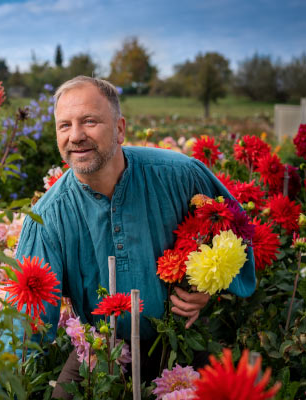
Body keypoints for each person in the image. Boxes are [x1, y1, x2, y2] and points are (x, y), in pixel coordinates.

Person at [14, 76, 256, 398]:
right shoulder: (46, 218)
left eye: (89, 121)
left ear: (119, 129)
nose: (76, 136)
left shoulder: (181, 175)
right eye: (64, 125)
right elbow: (26, 324)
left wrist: (209, 287)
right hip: (100, 348)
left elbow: (238, 231)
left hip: (180, 339)